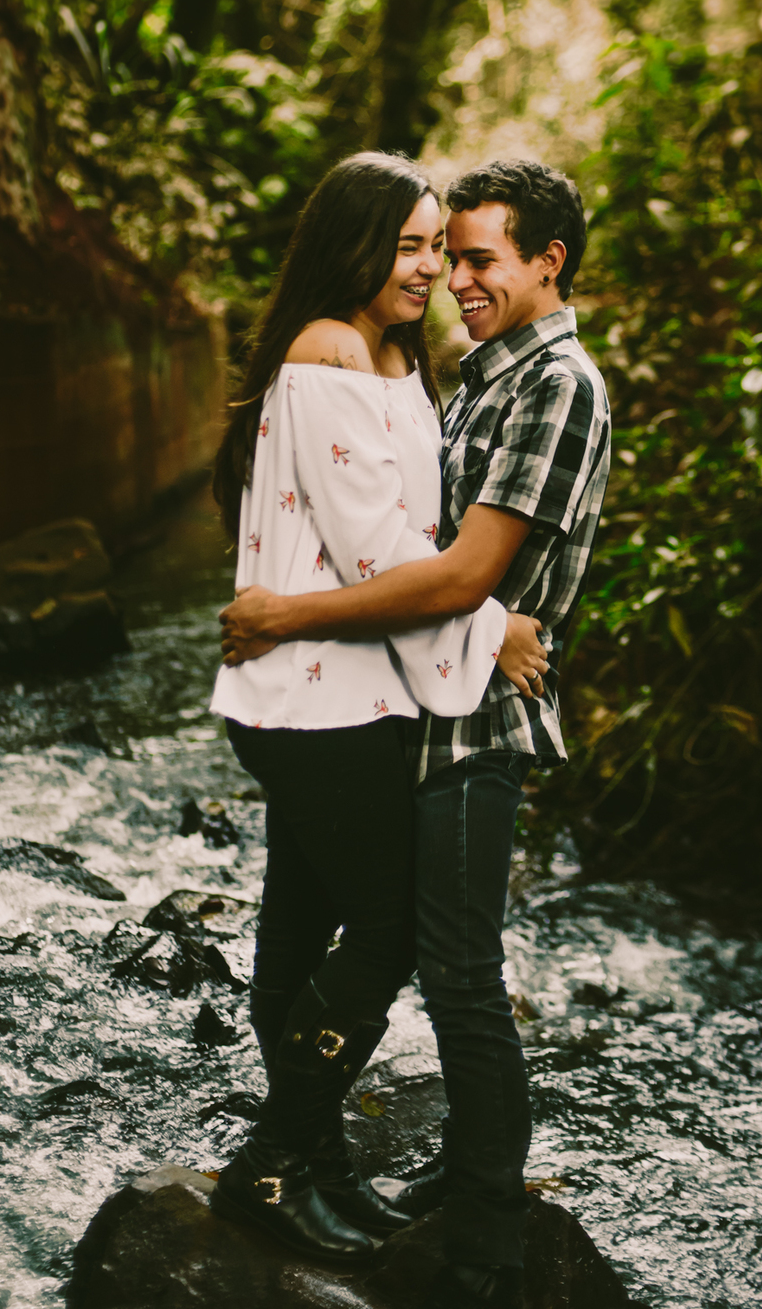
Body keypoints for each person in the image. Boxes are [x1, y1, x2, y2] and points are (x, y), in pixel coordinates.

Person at [220, 158, 611, 1308]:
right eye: (433, 249)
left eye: (468, 252)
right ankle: (303, 1156)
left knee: (440, 963)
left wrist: (298, 610)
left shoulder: (542, 383)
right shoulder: (420, 364)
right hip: (372, 699)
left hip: (456, 711)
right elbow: (380, 531)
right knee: (335, 926)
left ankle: (461, 1212)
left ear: (551, 261)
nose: (449, 275)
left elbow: (462, 565)